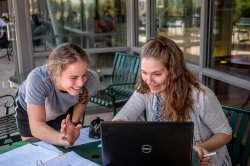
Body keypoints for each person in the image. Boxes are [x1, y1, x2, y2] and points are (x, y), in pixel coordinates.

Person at [113, 36, 232, 166]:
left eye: (157, 74)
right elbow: (122, 118)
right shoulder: (145, 88)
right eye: (144, 72)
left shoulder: (201, 96)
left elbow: (225, 134)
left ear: (174, 71)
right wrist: (117, 129)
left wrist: (199, 150)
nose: (149, 80)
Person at [15, 43, 100, 146]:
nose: (81, 83)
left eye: (84, 75)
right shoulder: (38, 79)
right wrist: (63, 139)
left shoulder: (93, 80)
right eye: (73, 78)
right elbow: (36, 126)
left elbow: (82, 100)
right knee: (34, 148)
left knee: (58, 149)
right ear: (56, 73)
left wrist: (72, 126)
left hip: (60, 108)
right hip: (29, 110)